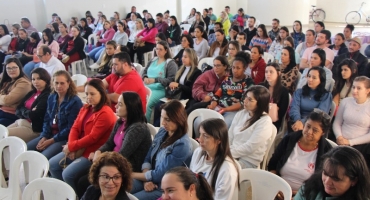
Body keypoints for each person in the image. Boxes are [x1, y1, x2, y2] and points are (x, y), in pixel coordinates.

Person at [76, 91, 152, 198]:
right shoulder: (121, 121)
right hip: (113, 163)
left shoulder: (138, 128)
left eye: (120, 104)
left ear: (130, 108)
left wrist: (101, 159)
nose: (115, 106)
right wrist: (98, 151)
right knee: (78, 176)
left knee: (84, 182)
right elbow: (109, 143)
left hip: (127, 169)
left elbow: (122, 155)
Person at [49, 79, 117, 191]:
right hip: (78, 147)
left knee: (68, 174)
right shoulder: (86, 107)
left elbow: (92, 138)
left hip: (91, 152)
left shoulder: (105, 113)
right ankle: (64, 193)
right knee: (53, 164)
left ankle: (75, 195)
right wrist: (71, 146)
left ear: (101, 93)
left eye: (92, 94)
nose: (88, 97)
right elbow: (75, 128)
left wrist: (71, 147)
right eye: (86, 94)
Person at [130, 100, 192, 200]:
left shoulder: (182, 145)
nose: (163, 122)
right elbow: (148, 157)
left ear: (179, 120)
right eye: (162, 117)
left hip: (164, 188)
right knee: (119, 187)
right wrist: (146, 180)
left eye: (167, 119)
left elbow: (160, 174)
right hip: (148, 178)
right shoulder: (163, 131)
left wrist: (131, 174)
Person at [268, 110, 333, 196]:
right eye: (308, 126)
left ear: (323, 133)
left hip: (306, 195)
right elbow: (273, 165)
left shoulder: (327, 151)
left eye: (315, 130)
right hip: (278, 190)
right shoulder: (289, 139)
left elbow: (322, 182)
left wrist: (299, 195)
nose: (309, 132)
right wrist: (276, 187)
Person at [27, 70, 83, 159]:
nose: (58, 86)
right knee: (28, 148)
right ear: (52, 83)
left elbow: (71, 128)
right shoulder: (51, 97)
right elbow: (47, 119)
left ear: (68, 83)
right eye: (56, 83)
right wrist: (44, 136)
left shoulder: (75, 102)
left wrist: (51, 140)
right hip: (50, 133)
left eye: (62, 83)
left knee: (43, 157)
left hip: (63, 138)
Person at [294, 146, 370, 200]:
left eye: (335, 179)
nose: (327, 181)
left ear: (354, 181)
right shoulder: (311, 187)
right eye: (325, 174)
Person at [190, 118, 239, 200]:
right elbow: (190, 180)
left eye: (205, 136)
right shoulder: (198, 152)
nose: (200, 139)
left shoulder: (227, 169)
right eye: (200, 134)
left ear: (219, 140)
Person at [228, 85, 274, 169]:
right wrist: (225, 151)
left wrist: (228, 154)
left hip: (247, 161)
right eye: (246, 97)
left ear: (260, 103)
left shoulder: (265, 121)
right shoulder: (241, 113)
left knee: (222, 167)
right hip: (232, 154)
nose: (245, 101)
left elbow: (250, 147)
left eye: (250, 100)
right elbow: (230, 135)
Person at [153, 48, 201, 126]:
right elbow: (176, 84)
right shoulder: (181, 69)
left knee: (166, 109)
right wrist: (173, 86)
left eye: (185, 57)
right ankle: (156, 127)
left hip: (186, 99)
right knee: (158, 105)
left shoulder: (197, 72)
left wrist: (178, 85)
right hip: (176, 96)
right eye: (182, 56)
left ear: (191, 58)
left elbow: (192, 91)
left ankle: (160, 127)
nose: (183, 59)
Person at [207, 52, 254, 127]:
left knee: (222, 126)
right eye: (233, 67)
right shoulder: (227, 79)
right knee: (200, 121)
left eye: (238, 68)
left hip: (234, 111)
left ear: (244, 68)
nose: (235, 70)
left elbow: (243, 103)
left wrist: (225, 109)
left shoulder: (248, 82)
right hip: (219, 108)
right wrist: (213, 105)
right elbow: (217, 94)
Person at [333, 76, 370, 166]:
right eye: (353, 87)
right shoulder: (346, 101)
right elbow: (337, 123)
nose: (354, 90)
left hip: (360, 146)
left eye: (359, 88)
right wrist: (339, 137)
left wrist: (350, 142)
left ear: (367, 90)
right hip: (340, 141)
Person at [7, 68, 51, 142]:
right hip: (22, 121)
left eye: (39, 79)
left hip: (33, 128)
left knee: (4, 135)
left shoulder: (47, 95)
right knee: (2, 132)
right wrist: (28, 111)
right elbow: (18, 109)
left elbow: (34, 115)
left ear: (46, 80)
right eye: (33, 79)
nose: (35, 82)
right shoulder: (32, 93)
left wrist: (24, 111)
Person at [142, 41, 177, 121]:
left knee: (147, 103)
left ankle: (144, 125)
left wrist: (155, 80)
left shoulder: (170, 63)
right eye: (157, 49)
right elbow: (144, 71)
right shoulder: (153, 60)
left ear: (166, 51)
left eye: (160, 49)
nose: (158, 51)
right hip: (146, 86)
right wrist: (145, 77)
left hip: (159, 89)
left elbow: (170, 80)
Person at [290, 67, 332, 132]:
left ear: (321, 80)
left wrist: (302, 122)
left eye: (314, 78)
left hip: (313, 126)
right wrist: (298, 121)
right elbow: (294, 108)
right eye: (309, 76)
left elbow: (319, 114)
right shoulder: (299, 92)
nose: (310, 79)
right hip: (296, 124)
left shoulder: (326, 95)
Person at [0, 58, 32, 126]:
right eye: (8, 68)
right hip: (3, 111)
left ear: (19, 68)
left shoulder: (24, 83)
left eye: (14, 68)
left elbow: (7, 100)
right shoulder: (8, 81)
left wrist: (3, 97)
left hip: (12, 115)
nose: (11, 70)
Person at [260, 63, 290, 130]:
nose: (268, 74)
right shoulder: (261, 87)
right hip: (259, 118)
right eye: (266, 72)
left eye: (271, 72)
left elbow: (281, 113)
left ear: (278, 73)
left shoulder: (283, 91)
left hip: (273, 122)